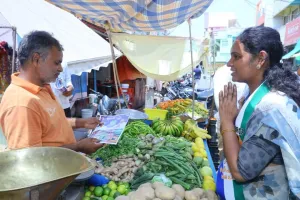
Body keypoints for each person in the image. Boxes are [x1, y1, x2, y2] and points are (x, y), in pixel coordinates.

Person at [217, 26, 300, 199]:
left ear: (261, 59)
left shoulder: (270, 107)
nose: (229, 63)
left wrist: (226, 122)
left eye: (236, 56)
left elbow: (240, 172)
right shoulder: (253, 96)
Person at [0, 31, 103, 154]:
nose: (60, 68)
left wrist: (82, 122)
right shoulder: (21, 103)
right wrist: (78, 147)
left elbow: (52, 122)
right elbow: (30, 158)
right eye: (56, 63)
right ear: (36, 59)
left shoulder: (42, 88)